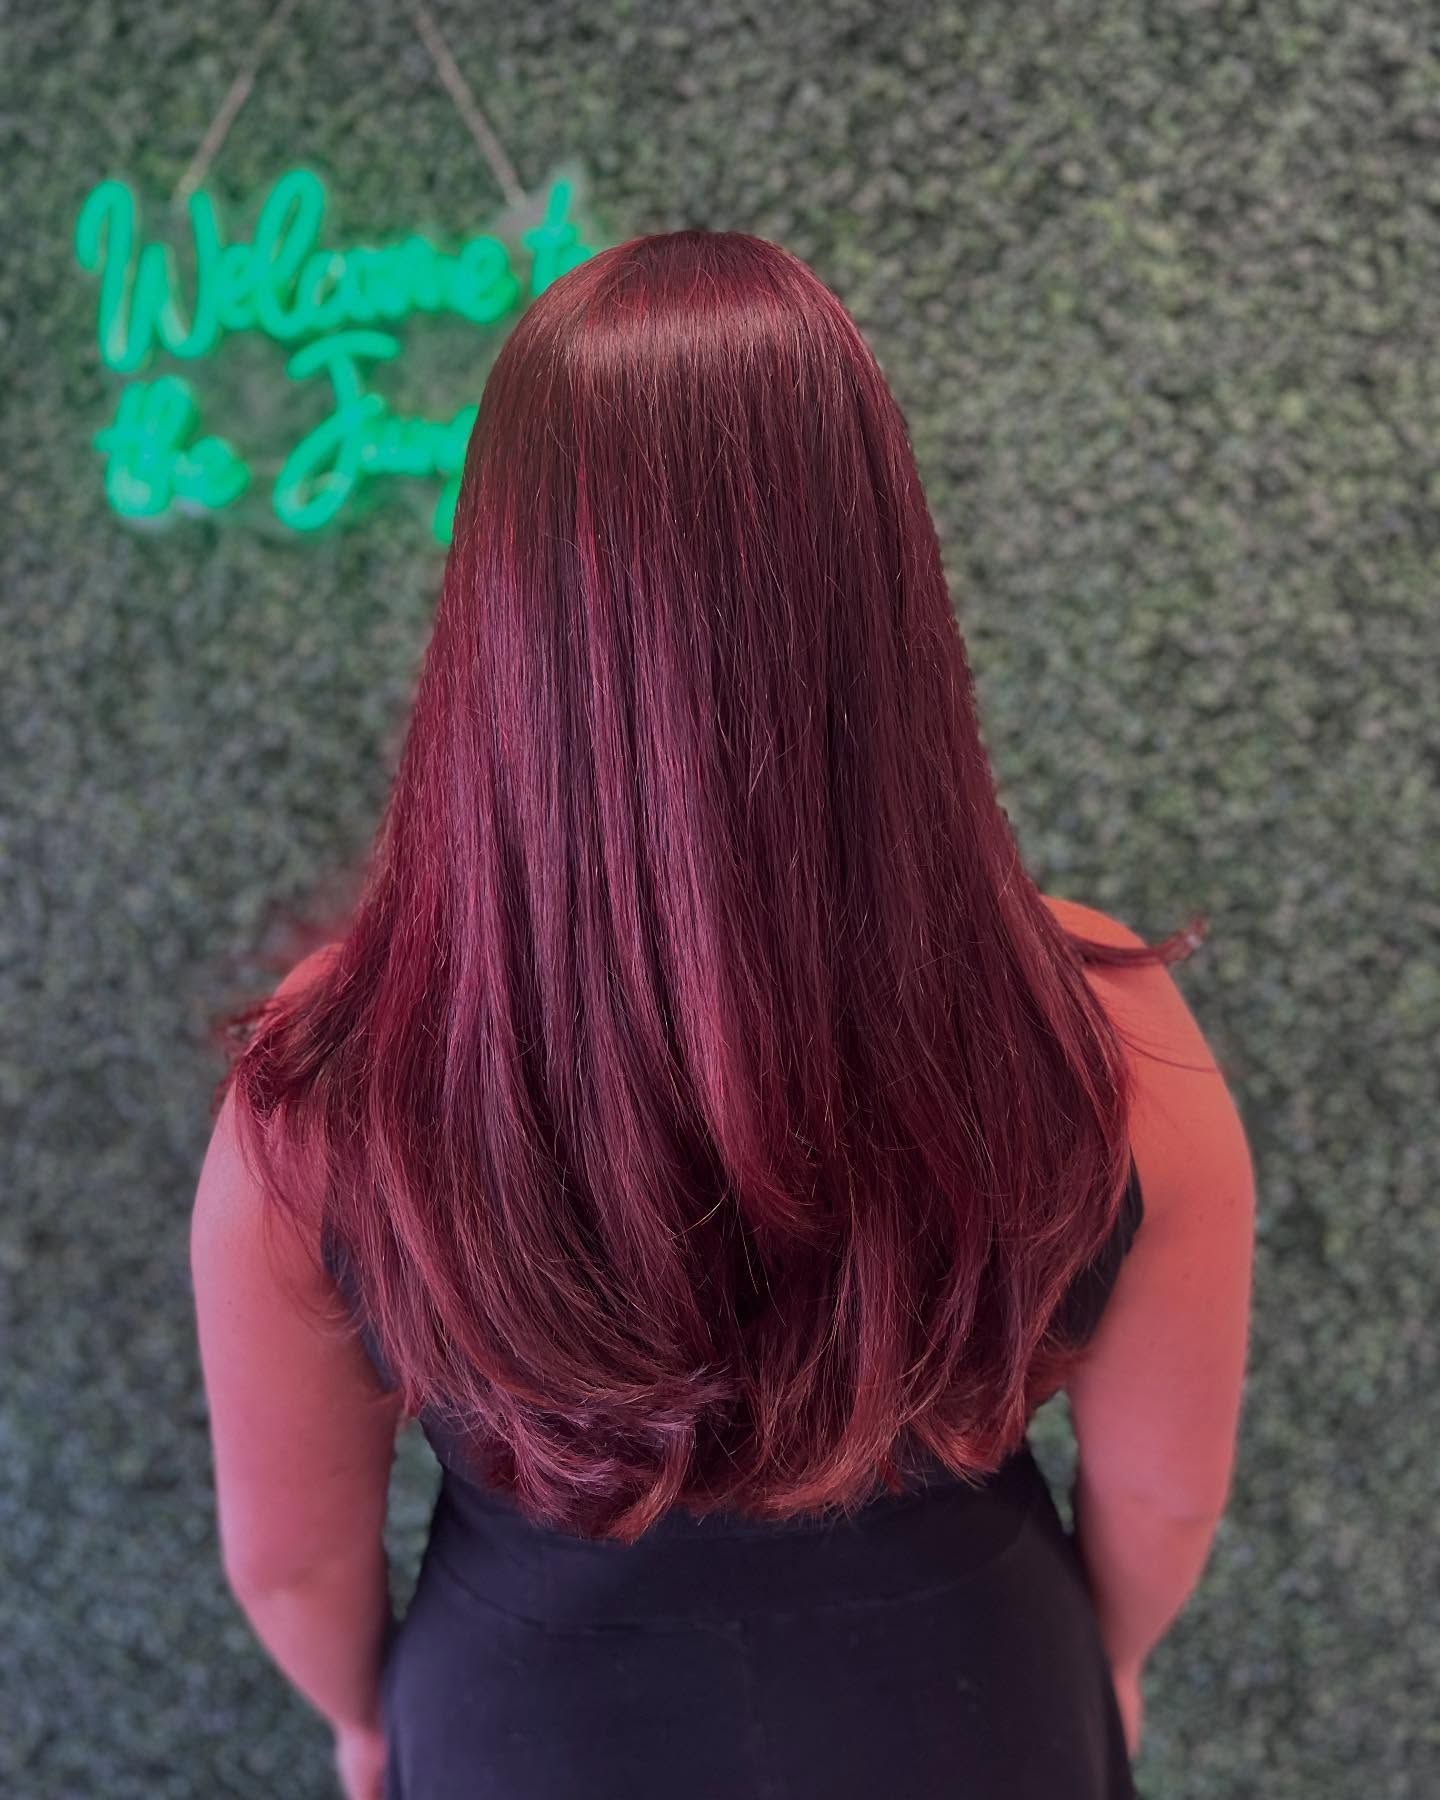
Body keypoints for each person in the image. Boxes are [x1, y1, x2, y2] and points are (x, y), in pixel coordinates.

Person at [190, 228, 1255, 1800]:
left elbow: (286, 1560)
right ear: (888, 583)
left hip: (521, 1725)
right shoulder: (1112, 1036)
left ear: (501, 610)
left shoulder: (330, 1074)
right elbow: (1164, 1503)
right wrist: (1104, 1665)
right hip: (982, 1701)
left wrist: (369, 1726)